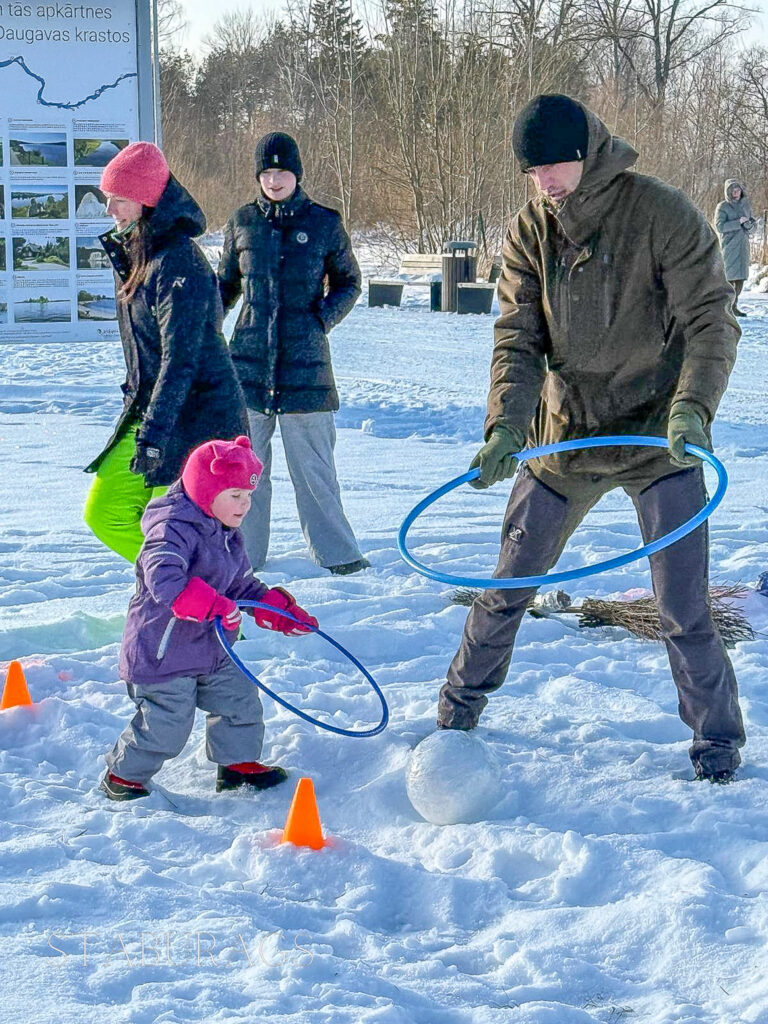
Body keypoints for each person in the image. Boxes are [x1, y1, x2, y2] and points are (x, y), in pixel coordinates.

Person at [437, 94, 746, 784]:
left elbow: (711, 321)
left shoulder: (661, 213)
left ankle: (718, 742)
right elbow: (517, 340)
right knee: (509, 584)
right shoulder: (530, 230)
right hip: (564, 436)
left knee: (683, 605)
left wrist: (692, 409)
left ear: (588, 154)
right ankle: (456, 710)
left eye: (553, 165)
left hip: (658, 436)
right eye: (532, 170)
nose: (543, 181)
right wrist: (505, 426)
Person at [101, 435, 318, 801]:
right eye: (235, 495)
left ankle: (237, 764)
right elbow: (163, 577)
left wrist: (277, 610)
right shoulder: (171, 526)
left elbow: (240, 584)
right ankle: (123, 775)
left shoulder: (226, 531)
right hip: (162, 653)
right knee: (167, 723)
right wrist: (211, 604)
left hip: (210, 649)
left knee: (239, 699)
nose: (245, 504)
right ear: (206, 490)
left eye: (248, 495)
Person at [83, 142, 249, 562]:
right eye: (108, 198)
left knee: (172, 527)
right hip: (153, 410)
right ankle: (178, 580)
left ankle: (195, 594)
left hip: (196, 418)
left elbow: (181, 360)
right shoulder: (139, 253)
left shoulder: (178, 261)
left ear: (147, 200)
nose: (110, 210)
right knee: (105, 513)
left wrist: (155, 436)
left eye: (119, 199)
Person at [217, 131, 369, 576]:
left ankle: (338, 555)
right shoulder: (242, 221)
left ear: (297, 174)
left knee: (314, 472)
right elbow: (225, 285)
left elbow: (349, 281)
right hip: (248, 369)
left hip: (308, 372)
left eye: (282, 171)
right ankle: (242, 557)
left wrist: (320, 319)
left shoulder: (324, 223)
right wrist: (204, 326)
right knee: (243, 473)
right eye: (267, 172)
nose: (274, 180)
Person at [715, 179, 755, 317]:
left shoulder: (746, 205)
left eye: (738, 190)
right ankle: (725, 307)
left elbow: (753, 224)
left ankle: (734, 306)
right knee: (729, 277)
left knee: (741, 278)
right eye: (733, 190)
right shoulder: (723, 206)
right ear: (728, 191)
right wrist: (738, 222)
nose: (736, 192)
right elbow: (720, 227)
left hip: (743, 246)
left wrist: (749, 225)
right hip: (730, 246)